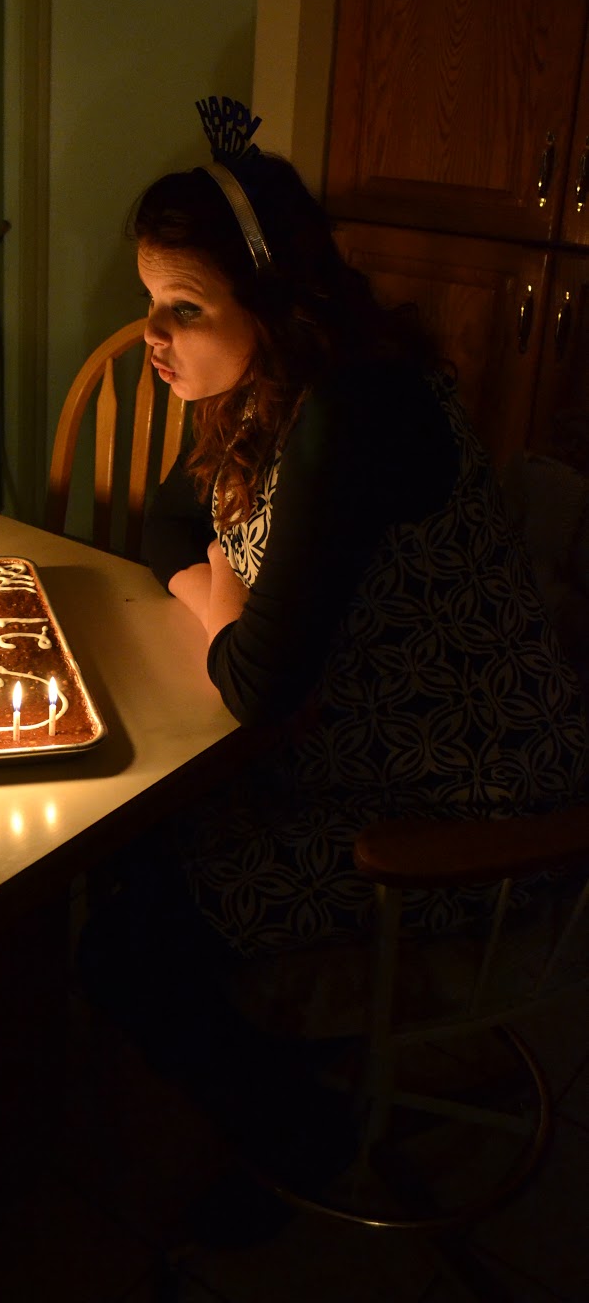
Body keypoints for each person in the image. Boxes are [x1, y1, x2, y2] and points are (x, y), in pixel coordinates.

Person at [75, 132, 588, 1238]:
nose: (151, 335)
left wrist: (218, 598)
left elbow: (256, 685)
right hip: (366, 748)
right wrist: (213, 585)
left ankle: (301, 1137)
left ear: (273, 299)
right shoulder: (274, 386)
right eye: (150, 303)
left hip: (472, 804)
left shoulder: (352, 412)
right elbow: (168, 518)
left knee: (126, 935)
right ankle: (266, 1077)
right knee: (122, 854)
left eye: (182, 308)